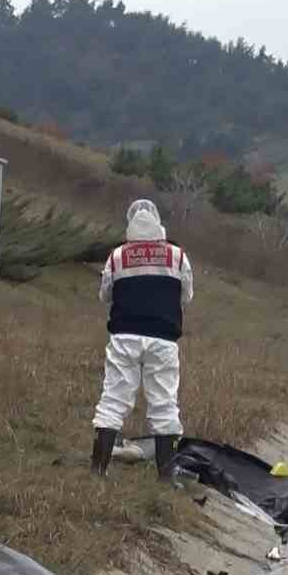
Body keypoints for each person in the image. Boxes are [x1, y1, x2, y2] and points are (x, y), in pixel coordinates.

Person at [90, 199, 194, 477]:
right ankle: (166, 475)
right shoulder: (177, 256)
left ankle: (98, 470)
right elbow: (187, 296)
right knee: (164, 404)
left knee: (113, 399)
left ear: (130, 225)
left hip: (124, 337)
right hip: (163, 340)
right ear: (159, 223)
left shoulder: (117, 256)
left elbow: (105, 296)